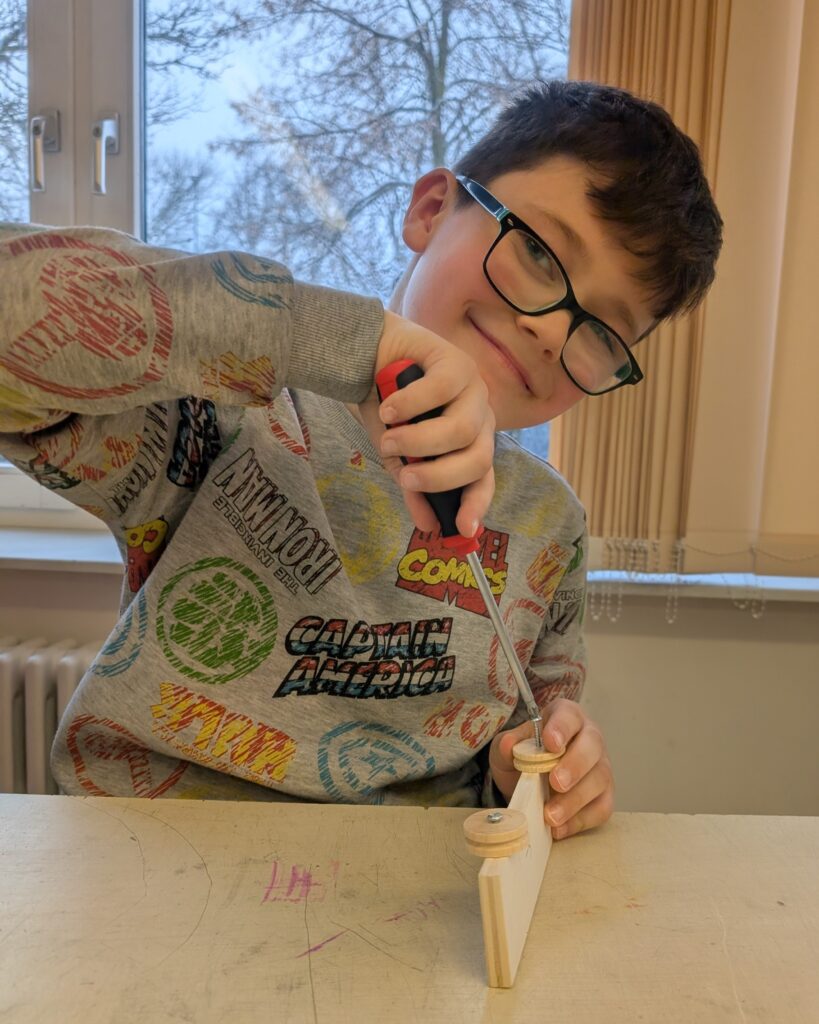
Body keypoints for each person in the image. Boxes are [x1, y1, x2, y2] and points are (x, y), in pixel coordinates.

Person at [0, 80, 721, 839]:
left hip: (417, 883)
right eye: (539, 253)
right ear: (431, 211)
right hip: (155, 862)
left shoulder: (552, 524)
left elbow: (530, 731)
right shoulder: (225, 414)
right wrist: (355, 344)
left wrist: (543, 769)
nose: (551, 332)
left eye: (603, 331)